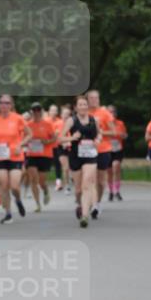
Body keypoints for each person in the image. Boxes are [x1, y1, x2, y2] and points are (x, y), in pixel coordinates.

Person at [0, 94, 32, 224]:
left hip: (15, 156)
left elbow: (29, 134)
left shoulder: (18, 119)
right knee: (4, 185)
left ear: (11, 105)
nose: (4, 105)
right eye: (1, 103)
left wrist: (20, 145)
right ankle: (8, 213)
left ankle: (18, 199)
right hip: (0, 156)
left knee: (15, 186)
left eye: (7, 103)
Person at [60, 94, 101, 227]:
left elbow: (99, 133)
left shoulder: (94, 120)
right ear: (75, 108)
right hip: (76, 156)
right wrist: (72, 138)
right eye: (80, 105)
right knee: (78, 189)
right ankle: (80, 204)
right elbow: (60, 138)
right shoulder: (71, 121)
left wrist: (98, 140)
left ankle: (84, 216)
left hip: (91, 156)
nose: (83, 107)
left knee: (87, 184)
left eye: (85, 104)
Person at [86, 90, 115, 219]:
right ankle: (91, 203)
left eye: (96, 98)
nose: (94, 100)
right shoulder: (83, 113)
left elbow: (113, 132)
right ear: (87, 100)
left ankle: (97, 203)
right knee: (90, 178)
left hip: (103, 149)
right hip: (87, 150)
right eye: (91, 98)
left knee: (101, 181)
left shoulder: (105, 113)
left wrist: (99, 132)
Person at [24, 102, 56, 212]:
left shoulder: (47, 124)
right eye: (34, 110)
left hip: (45, 155)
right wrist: (26, 142)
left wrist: (47, 141)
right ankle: (37, 204)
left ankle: (45, 190)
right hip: (31, 155)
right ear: (31, 112)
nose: (36, 112)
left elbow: (54, 138)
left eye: (38, 110)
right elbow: (22, 139)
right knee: (33, 179)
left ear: (41, 111)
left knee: (41, 181)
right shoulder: (27, 125)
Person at [107, 104, 127, 201]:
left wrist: (123, 135)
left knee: (116, 167)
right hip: (107, 150)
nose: (112, 113)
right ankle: (111, 191)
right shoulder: (104, 123)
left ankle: (117, 190)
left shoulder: (120, 123)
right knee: (109, 172)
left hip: (118, 149)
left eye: (113, 111)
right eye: (109, 112)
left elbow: (124, 134)